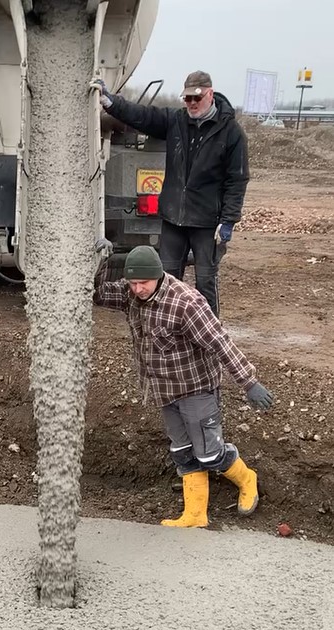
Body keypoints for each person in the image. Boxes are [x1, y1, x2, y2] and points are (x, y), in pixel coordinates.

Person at [93, 246, 274, 528]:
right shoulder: (132, 294)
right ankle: (195, 515)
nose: (138, 289)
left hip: (195, 387)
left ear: (159, 276)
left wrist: (249, 382)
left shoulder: (185, 303)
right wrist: (99, 262)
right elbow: (98, 294)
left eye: (144, 283)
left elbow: (219, 342)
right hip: (164, 390)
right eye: (133, 283)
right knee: (183, 452)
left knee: (210, 454)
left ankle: (247, 479)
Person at [91, 71, 249, 317]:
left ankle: (209, 332)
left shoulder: (230, 133)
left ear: (210, 94)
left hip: (207, 222)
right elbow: (144, 116)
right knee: (166, 279)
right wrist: (112, 103)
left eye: (197, 99)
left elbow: (237, 179)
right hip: (174, 218)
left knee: (206, 281)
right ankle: (165, 325)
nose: (192, 104)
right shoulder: (177, 121)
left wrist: (228, 220)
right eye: (187, 99)